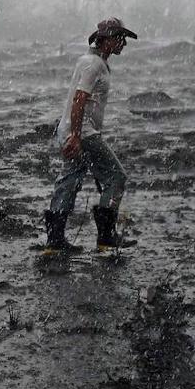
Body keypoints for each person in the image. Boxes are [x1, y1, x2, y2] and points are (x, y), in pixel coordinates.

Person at [43, 17, 138, 254]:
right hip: (83, 133)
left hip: (73, 130)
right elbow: (79, 99)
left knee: (71, 179)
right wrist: (76, 136)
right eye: (120, 39)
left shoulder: (92, 62)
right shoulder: (92, 64)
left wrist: (72, 134)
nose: (123, 44)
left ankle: (55, 241)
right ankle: (106, 237)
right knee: (116, 177)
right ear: (106, 40)